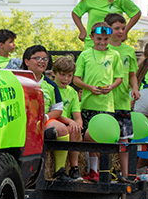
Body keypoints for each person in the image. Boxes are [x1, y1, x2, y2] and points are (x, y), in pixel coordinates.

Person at [73, 23, 124, 182]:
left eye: (105, 39)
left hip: (106, 105)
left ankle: (105, 170)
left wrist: (111, 87)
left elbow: (119, 77)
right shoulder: (85, 55)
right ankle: (93, 170)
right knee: (89, 137)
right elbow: (76, 79)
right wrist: (89, 87)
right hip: (88, 103)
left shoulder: (114, 55)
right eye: (99, 38)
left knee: (102, 138)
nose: (102, 42)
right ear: (92, 37)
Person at [22, 45, 72, 182]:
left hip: (42, 121)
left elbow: (58, 109)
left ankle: (59, 171)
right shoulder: (17, 80)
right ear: (27, 61)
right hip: (22, 122)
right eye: (37, 58)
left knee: (62, 129)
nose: (42, 62)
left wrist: (45, 117)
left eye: (45, 59)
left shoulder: (51, 85)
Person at [105, 13, 139, 182]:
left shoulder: (129, 50)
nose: (120, 31)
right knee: (104, 137)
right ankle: (104, 171)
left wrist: (135, 88)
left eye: (123, 28)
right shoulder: (103, 50)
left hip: (123, 101)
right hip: (105, 101)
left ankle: (125, 174)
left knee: (123, 138)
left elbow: (132, 74)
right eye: (116, 28)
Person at [51, 55, 84, 181]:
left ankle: (74, 167)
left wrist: (78, 125)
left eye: (69, 76)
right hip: (54, 121)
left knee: (74, 130)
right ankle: (60, 169)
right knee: (68, 128)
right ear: (54, 73)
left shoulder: (72, 92)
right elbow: (53, 112)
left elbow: (77, 115)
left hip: (67, 123)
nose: (66, 79)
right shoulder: (51, 88)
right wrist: (70, 122)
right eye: (62, 75)